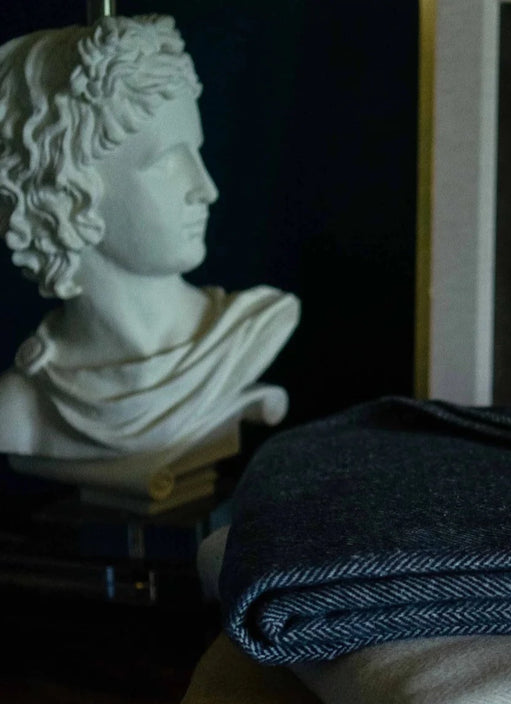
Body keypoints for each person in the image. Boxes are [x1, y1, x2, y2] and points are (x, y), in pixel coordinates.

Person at [0, 15, 299, 464]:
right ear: (67, 189)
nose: (205, 188)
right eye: (167, 161)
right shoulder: (19, 408)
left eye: (195, 154)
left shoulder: (249, 332)